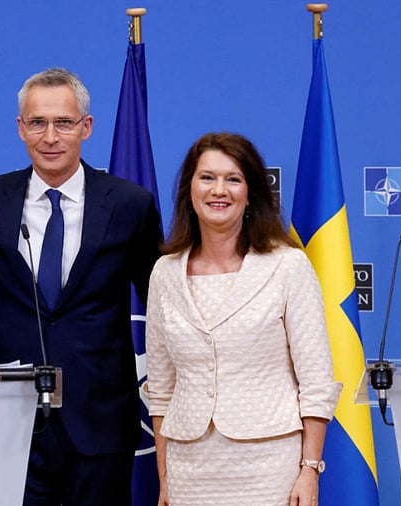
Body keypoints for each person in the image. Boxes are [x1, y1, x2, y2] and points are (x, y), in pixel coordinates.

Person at [0, 68, 163, 505]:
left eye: (63, 123)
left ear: (86, 127)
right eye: (37, 123)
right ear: (20, 128)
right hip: (12, 420)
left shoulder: (128, 204)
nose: (50, 136)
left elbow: (164, 301)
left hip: (100, 420)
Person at [143, 132, 342, 506]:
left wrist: (309, 470)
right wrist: (165, 478)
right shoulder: (164, 273)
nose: (219, 190)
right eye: (207, 178)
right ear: (189, 189)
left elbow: (316, 382)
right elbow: (161, 390)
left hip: (269, 470)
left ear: (250, 193)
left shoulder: (287, 266)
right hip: (190, 469)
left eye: (233, 179)